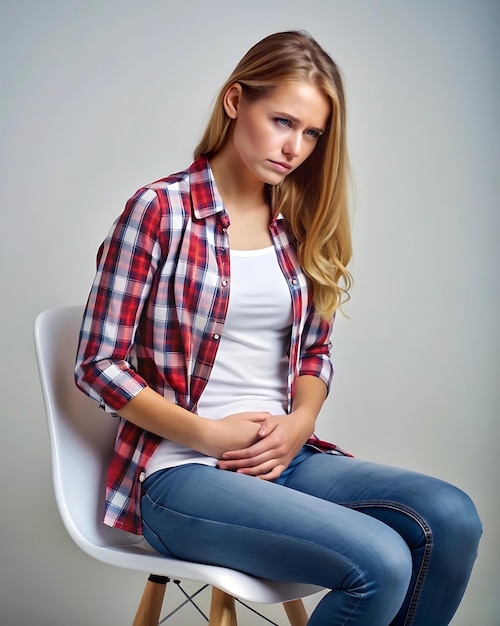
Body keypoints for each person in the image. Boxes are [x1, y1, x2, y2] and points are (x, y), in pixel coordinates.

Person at [75, 30, 481, 625]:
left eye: (312, 133)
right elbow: (97, 364)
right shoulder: (159, 211)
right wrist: (207, 435)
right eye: (283, 121)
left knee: (450, 515)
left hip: (285, 460)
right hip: (180, 474)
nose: (295, 147)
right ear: (236, 101)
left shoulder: (294, 224)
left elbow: (315, 352)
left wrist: (300, 423)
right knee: (381, 562)